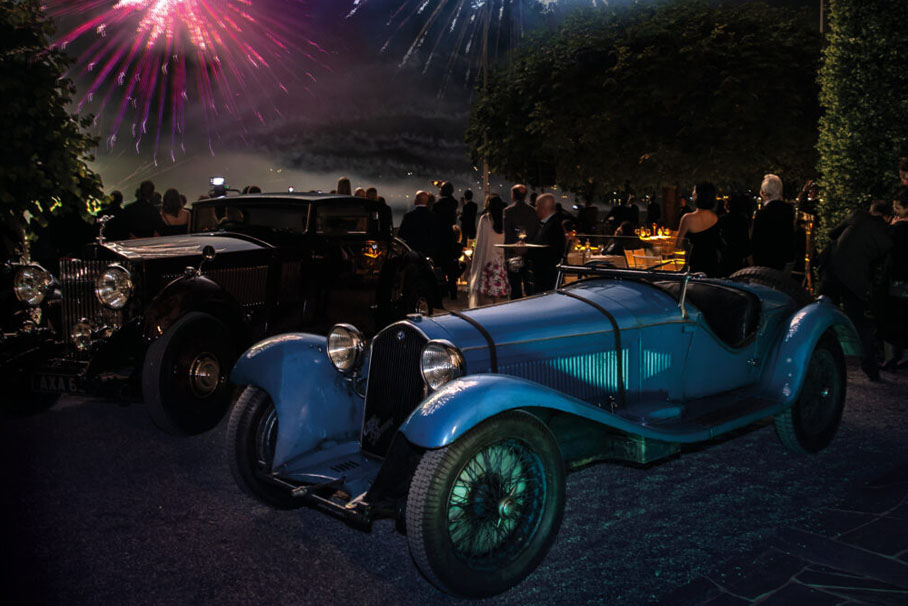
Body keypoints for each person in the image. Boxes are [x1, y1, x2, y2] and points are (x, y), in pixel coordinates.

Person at [820, 200, 894, 380]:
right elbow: (878, 265)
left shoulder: (857, 216)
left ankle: (818, 356)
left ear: (872, 211)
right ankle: (871, 368)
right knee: (860, 324)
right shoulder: (887, 235)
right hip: (855, 280)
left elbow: (832, 234)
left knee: (822, 315)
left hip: (832, 272)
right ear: (888, 217)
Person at [879, 187, 908, 370]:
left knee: (889, 315)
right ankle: (904, 356)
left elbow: (884, 248)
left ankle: (890, 356)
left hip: (895, 276)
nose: (894, 211)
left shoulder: (897, 230)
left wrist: (889, 228)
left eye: (897, 208)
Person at [468, 194, 509, 308]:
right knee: (497, 296)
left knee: (485, 298)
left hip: (487, 261)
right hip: (499, 261)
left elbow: (480, 241)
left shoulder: (485, 219)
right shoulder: (504, 220)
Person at [750, 174, 795, 271]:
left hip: (764, 261)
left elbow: (755, 240)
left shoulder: (762, 213)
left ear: (763, 192)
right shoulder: (788, 210)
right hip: (783, 259)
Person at [676, 182, 721, 277]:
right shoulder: (715, 218)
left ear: (698, 196)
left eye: (694, 191)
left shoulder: (687, 218)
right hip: (712, 262)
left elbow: (678, 243)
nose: (692, 193)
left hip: (694, 262)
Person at [503, 183, 538, 298]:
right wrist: (526, 245)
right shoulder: (532, 211)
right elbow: (534, 231)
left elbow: (507, 233)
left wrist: (516, 245)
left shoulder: (508, 211)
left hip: (513, 253)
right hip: (529, 252)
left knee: (514, 286)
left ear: (513, 195)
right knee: (529, 285)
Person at [527, 193, 566, 293]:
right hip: (546, 274)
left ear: (543, 208)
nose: (535, 209)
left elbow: (546, 250)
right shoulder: (551, 223)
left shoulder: (553, 226)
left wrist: (526, 250)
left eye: (537, 206)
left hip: (546, 276)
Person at [397, 190, 441, 262]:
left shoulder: (408, 216)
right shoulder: (434, 217)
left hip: (412, 251)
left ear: (416, 200)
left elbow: (401, 234)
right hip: (428, 253)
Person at [433, 181, 459, 299]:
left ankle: (442, 290)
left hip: (440, 236)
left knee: (440, 266)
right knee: (451, 265)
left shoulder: (438, 205)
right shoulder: (454, 203)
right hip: (450, 236)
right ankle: (453, 291)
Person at [717, 193, 752, 276]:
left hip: (725, 256)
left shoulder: (722, 219)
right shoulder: (743, 220)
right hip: (738, 258)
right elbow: (746, 242)